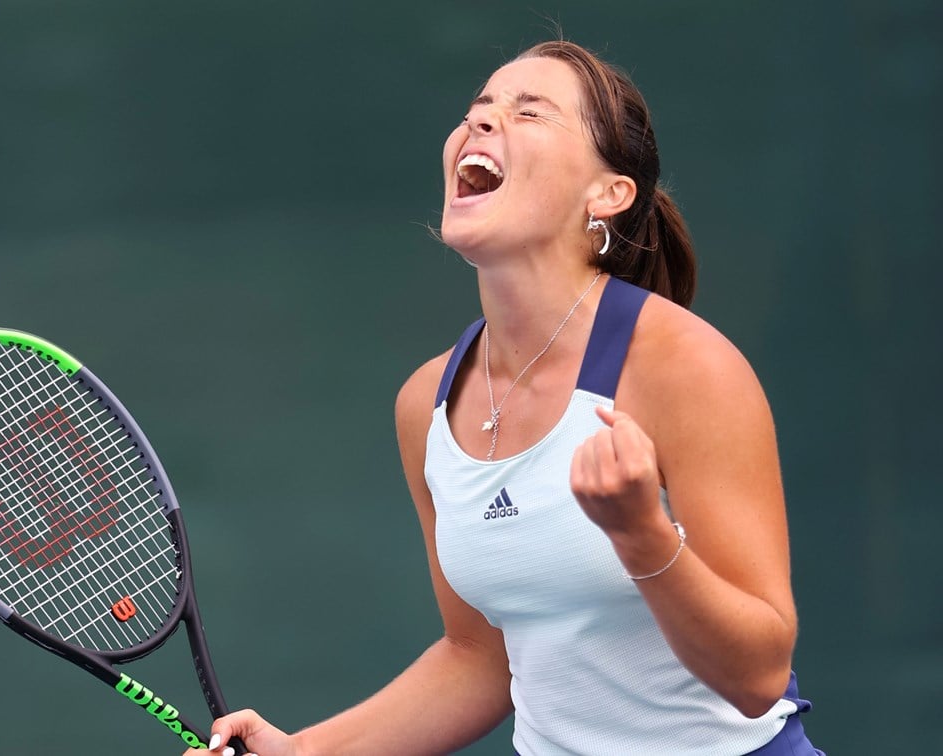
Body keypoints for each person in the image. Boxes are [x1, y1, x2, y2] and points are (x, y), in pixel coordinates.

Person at [186, 39, 822, 756]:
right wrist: (300, 752)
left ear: (608, 194)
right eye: (477, 110)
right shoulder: (425, 403)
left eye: (530, 113)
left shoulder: (688, 367)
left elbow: (760, 672)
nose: (481, 124)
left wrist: (641, 534)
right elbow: (480, 660)